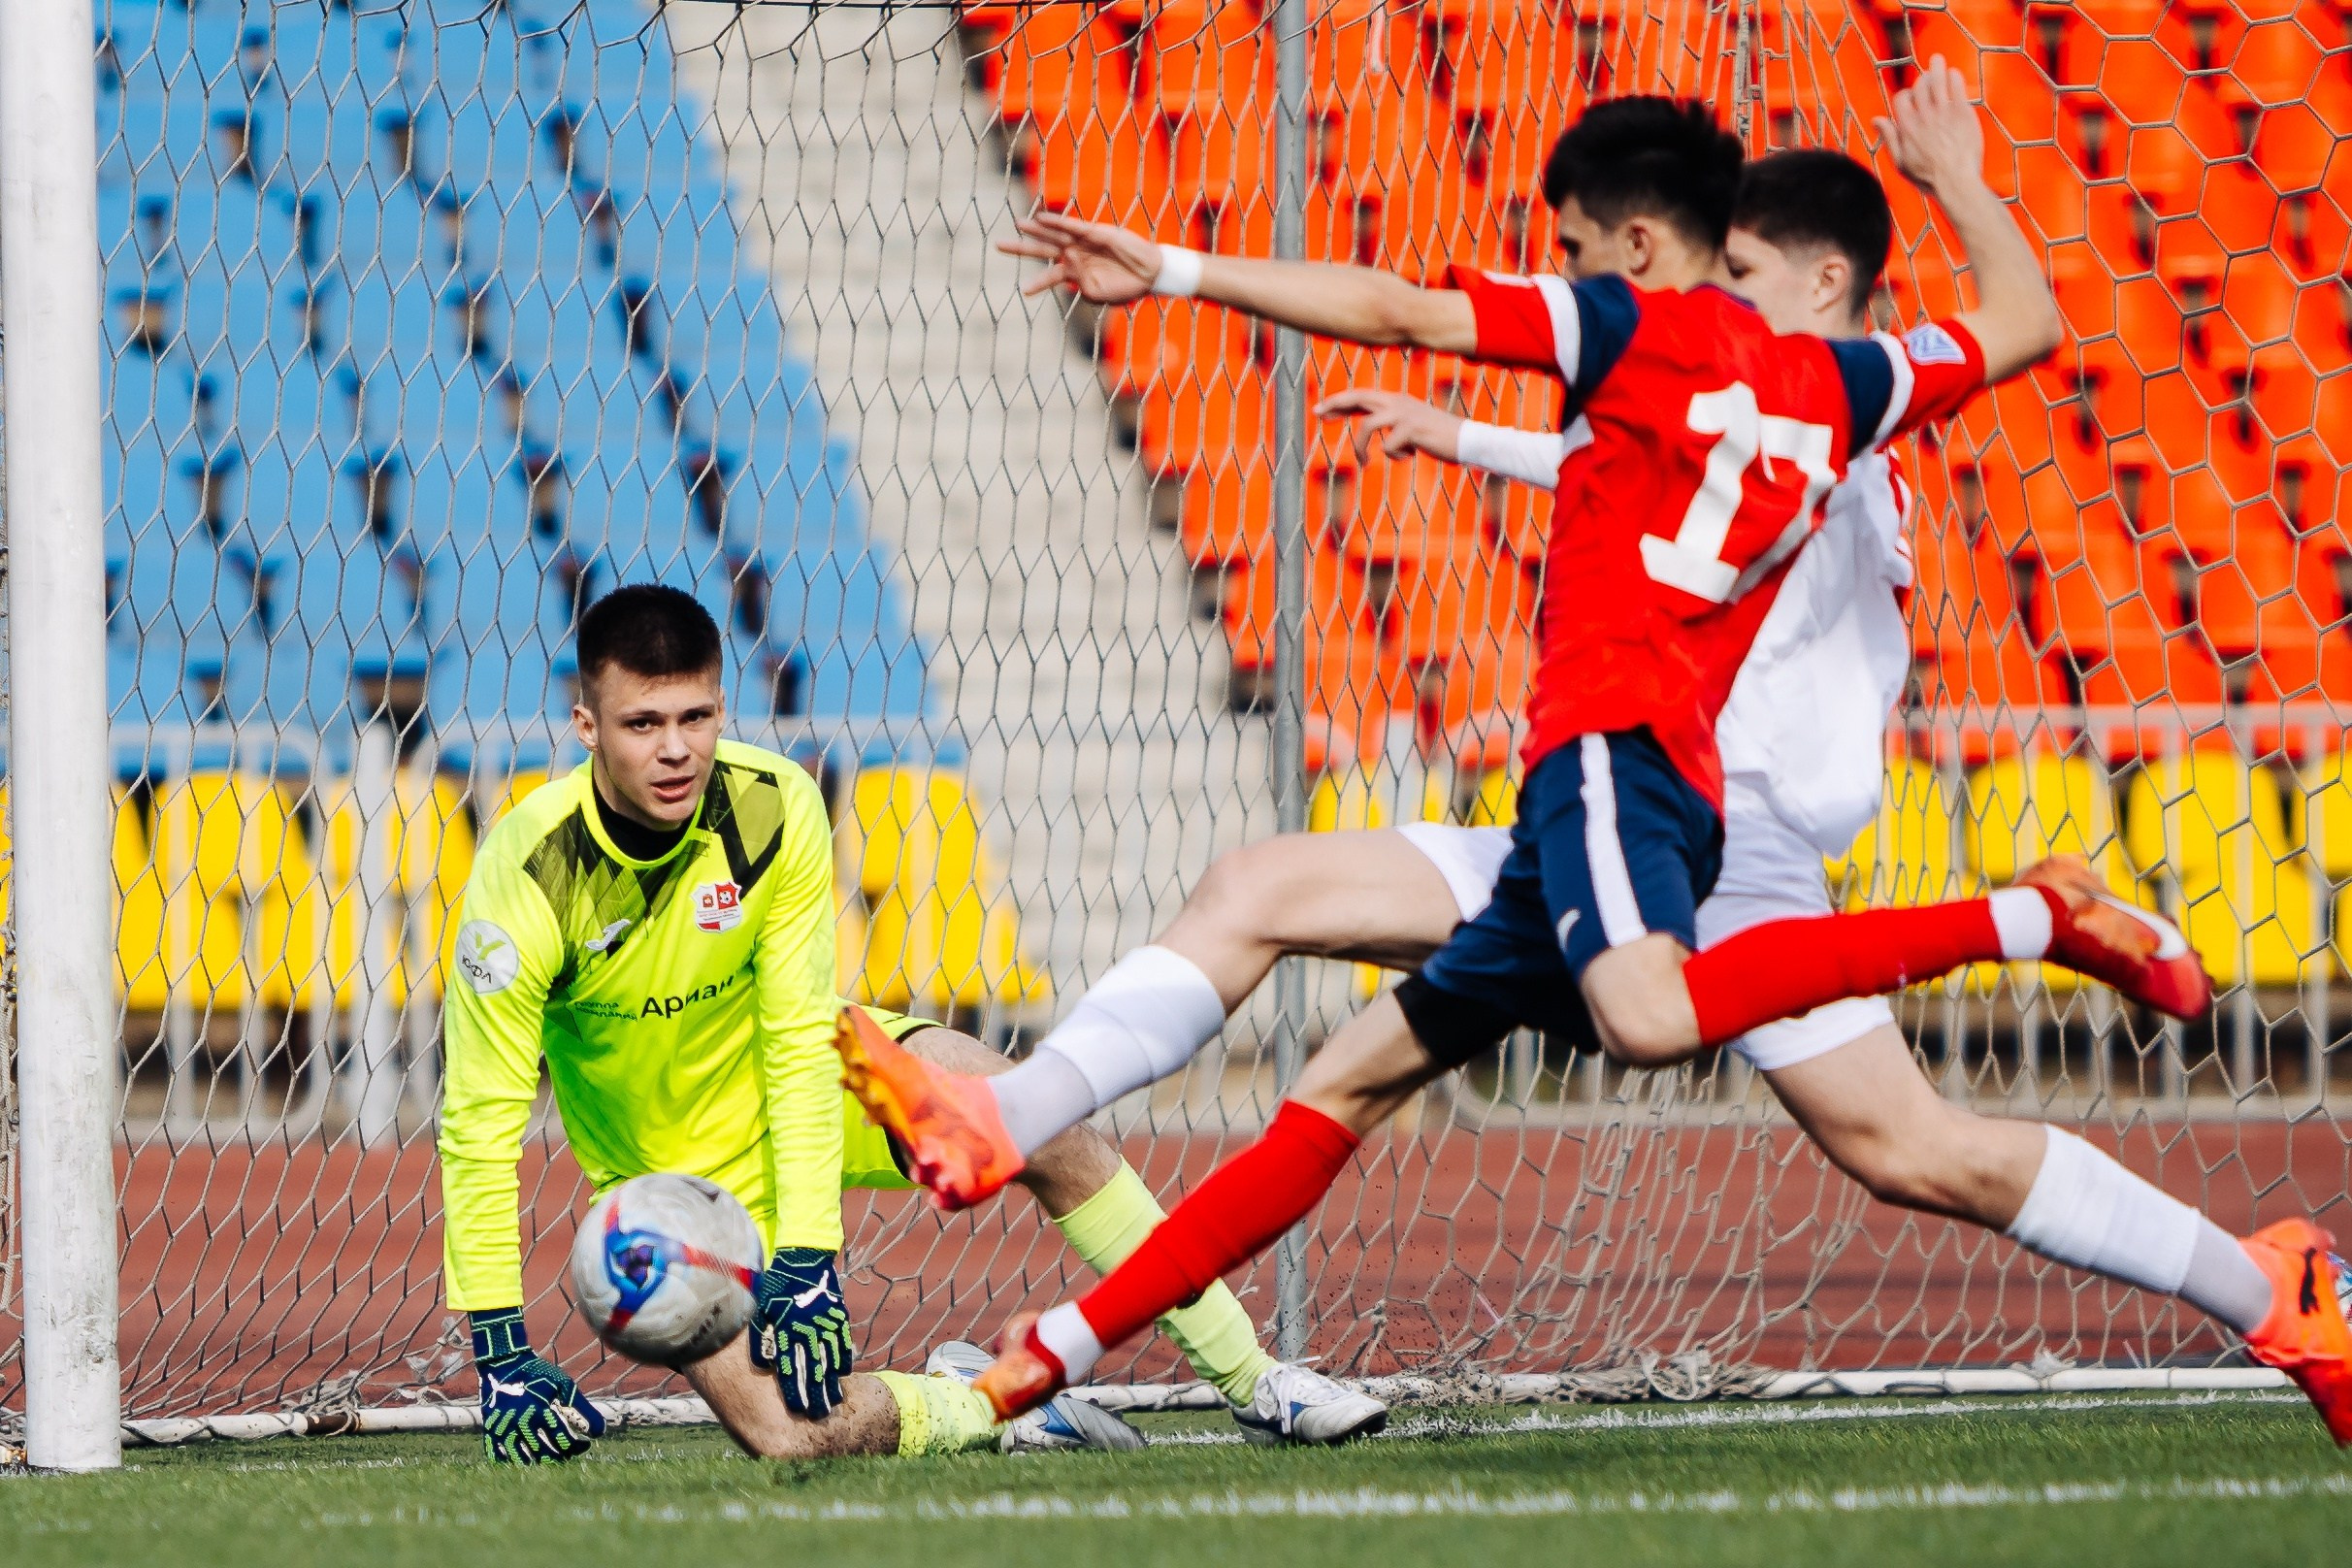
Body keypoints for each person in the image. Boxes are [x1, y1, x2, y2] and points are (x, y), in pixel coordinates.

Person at [848, 75, 2352, 1445]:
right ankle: (1038, 1331)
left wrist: (1181, 272)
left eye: (1754, 273)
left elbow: (1433, 318)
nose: (1730, 292)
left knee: (1855, 1121)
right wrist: (1466, 439)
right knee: (1294, 951)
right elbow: (1775, 418)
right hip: (1610, 823)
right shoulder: (1844, 393)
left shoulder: (1799, 403)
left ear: (1805, 279)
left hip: (1699, 828)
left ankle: (2038, 926)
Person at [437, 583, 1385, 1464]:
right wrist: (500, 1351)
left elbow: (800, 1039)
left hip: (815, 1073)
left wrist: (810, 1260)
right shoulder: (525, 878)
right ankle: (990, 1400)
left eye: (695, 716)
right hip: (670, 1183)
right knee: (787, 1435)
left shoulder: (772, 807)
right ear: (585, 725)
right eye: (643, 723)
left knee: (1039, 1117)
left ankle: (1256, 1378)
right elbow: (479, 1127)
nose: (675, 747)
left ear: (723, 709)